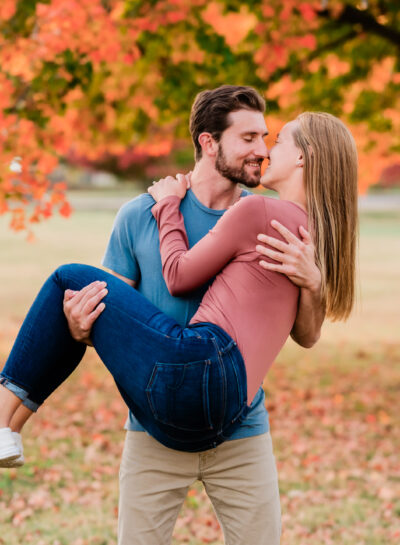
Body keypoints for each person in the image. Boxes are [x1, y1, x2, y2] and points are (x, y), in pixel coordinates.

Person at [0, 87, 329, 545]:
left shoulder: (271, 221)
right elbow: (112, 318)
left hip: (241, 431)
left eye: (266, 137)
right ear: (209, 143)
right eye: (249, 137)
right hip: (153, 433)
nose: (261, 150)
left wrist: (312, 283)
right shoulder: (138, 216)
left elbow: (308, 335)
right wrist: (77, 326)